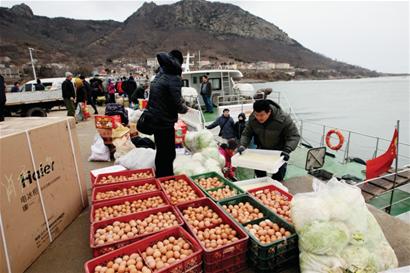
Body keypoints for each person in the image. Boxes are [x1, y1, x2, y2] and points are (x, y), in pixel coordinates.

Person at [148, 49, 188, 177]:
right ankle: (166, 178)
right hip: (165, 121)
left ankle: (160, 176)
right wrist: (184, 108)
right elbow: (176, 102)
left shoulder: (159, 75)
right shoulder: (173, 78)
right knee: (169, 153)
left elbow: (166, 97)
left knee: (161, 151)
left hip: (155, 119)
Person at [238, 99, 300, 181]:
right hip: (261, 150)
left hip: (279, 152)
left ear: (269, 112)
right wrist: (243, 145)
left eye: (262, 115)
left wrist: (287, 150)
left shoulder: (283, 119)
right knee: (260, 175)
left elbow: (294, 136)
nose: (259, 118)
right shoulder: (253, 118)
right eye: (256, 114)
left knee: (278, 177)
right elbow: (247, 134)